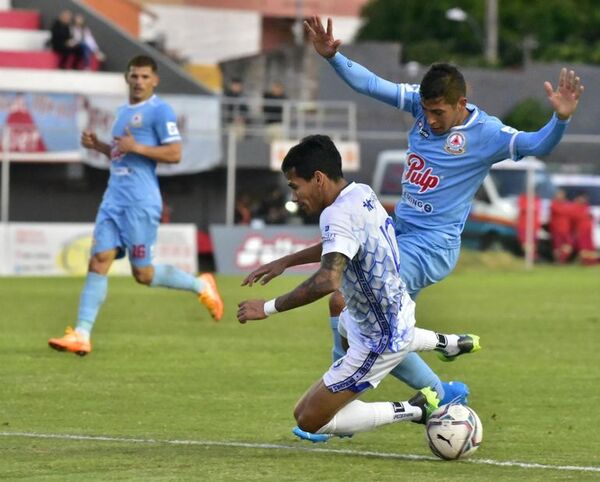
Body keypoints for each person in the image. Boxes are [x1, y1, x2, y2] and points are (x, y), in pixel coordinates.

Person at [257, 16, 583, 410]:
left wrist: (560, 118)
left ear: (461, 104)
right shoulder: (420, 104)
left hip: (432, 246)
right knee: (370, 324)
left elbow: (537, 145)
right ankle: (442, 393)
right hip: (399, 234)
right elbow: (371, 85)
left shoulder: (488, 135)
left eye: (438, 113)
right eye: (425, 111)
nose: (428, 119)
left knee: (349, 303)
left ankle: (343, 398)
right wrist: (334, 57)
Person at [238, 135, 480, 442]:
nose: (295, 196)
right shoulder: (360, 193)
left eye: (295, 186)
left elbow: (327, 280)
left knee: (310, 419)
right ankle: (448, 343)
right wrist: (286, 261)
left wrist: (268, 307)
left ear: (318, 179)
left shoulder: (336, 214)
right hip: (393, 311)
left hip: (379, 338)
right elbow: (339, 245)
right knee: (340, 311)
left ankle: (417, 409)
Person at [48, 55, 224, 356]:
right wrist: (101, 146)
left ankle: (201, 286)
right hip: (114, 199)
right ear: (127, 79)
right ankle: (82, 333)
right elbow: (122, 154)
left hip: (141, 202)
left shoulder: (159, 111)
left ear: (154, 80)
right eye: (135, 76)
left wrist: (136, 146)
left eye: (145, 77)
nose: (139, 81)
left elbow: (175, 154)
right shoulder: (122, 113)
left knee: (143, 274)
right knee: (98, 260)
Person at [571, 192, 599, 266]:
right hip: (581, 230)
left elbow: (591, 217)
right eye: (582, 198)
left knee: (589, 246)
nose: (584, 200)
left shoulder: (586, 207)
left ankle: (591, 260)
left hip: (588, 230)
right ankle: (585, 260)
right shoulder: (575, 207)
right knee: (583, 246)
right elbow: (575, 218)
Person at [549, 189, 574, 263]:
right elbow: (560, 211)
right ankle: (558, 260)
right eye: (558, 194)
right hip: (556, 229)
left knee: (568, 245)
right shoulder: (553, 204)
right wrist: (567, 208)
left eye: (561, 194)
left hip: (566, 229)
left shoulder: (567, 204)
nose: (559, 196)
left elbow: (571, 213)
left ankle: (562, 259)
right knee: (557, 246)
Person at [516, 191, 542, 259]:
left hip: (534, 226)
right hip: (523, 225)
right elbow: (523, 208)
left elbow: (536, 209)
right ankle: (529, 256)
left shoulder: (537, 200)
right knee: (524, 242)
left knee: (533, 243)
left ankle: (533, 257)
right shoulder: (522, 199)